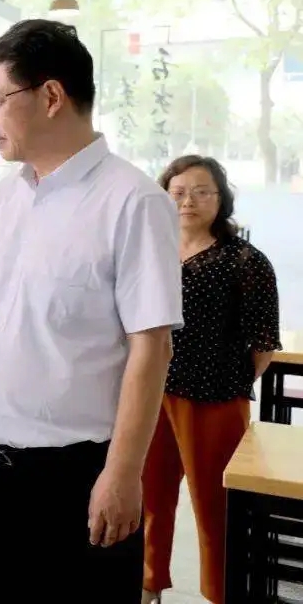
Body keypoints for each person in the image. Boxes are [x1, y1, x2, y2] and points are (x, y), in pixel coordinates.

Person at [0, 20, 183, 603]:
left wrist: (123, 472)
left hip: (77, 475)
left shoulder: (132, 202)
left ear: (51, 96)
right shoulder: (9, 194)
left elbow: (152, 347)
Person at [142, 155, 281, 604]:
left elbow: (263, 344)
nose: (188, 201)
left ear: (221, 199)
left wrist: (227, 381)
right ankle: (147, 583)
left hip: (214, 398)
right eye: (178, 192)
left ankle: (220, 593)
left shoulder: (245, 260)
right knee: (147, 496)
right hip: (148, 393)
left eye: (202, 192)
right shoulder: (149, 252)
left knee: (215, 505)